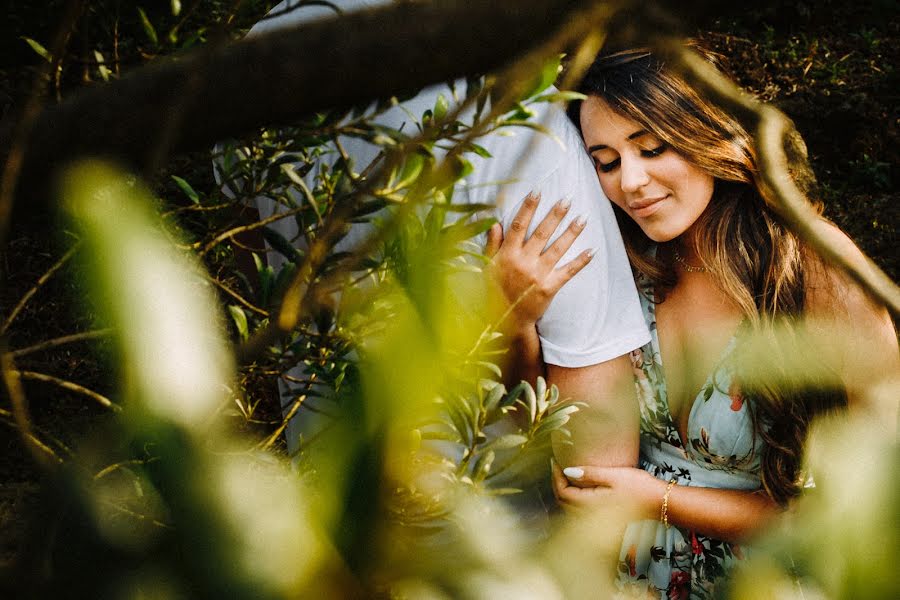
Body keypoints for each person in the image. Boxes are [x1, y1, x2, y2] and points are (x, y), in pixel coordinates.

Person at [488, 45, 899, 598]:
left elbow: (876, 503)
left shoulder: (811, 267)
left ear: (707, 132)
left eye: (651, 148)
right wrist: (516, 322)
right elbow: (533, 430)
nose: (630, 181)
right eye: (605, 162)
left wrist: (658, 499)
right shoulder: (621, 272)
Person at [219, 0, 651, 471]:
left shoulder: (263, 47)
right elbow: (595, 462)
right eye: (609, 161)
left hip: (328, 477)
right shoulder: (522, 121)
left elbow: (253, 259)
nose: (630, 180)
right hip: (493, 519)